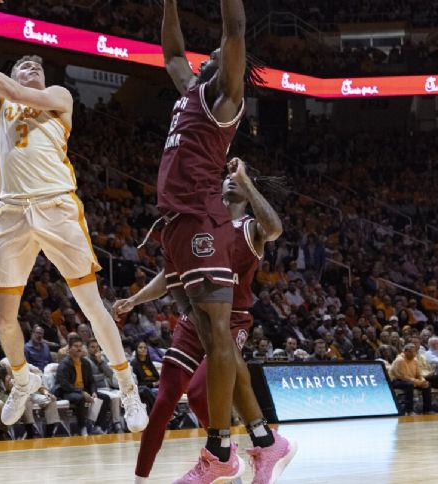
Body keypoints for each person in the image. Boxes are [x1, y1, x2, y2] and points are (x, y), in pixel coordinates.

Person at [0, 1, 147, 433]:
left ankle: (128, 386)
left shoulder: (58, 98)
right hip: (13, 214)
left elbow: (2, 79)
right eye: (24, 67)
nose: (32, 70)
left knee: (92, 305)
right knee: (2, 316)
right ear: (12, 75)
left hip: (56, 206)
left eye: (37, 66)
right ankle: (21, 379)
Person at [117, 165, 294, 483]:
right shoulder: (205, 225)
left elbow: (275, 228)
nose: (229, 180)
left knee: (199, 392)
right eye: (225, 178)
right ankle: (143, 478)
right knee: (164, 399)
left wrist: (248, 184)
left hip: (233, 318)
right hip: (195, 318)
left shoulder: (250, 226)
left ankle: (225, 456)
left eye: (234, 179)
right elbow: (170, 277)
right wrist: (134, 300)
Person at [152, 0, 263, 477]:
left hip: (201, 218)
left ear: (228, 63)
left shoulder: (225, 99)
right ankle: (257, 439)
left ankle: (221, 450)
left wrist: (227, 26)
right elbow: (172, 53)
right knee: (206, 330)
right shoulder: (190, 92)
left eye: (214, 53)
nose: (204, 56)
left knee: (218, 334)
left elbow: (235, 26)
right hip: (178, 221)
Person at [54, 336, 100, 436]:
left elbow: (91, 381)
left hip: (82, 390)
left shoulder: (85, 363)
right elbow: (65, 385)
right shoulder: (64, 364)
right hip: (67, 392)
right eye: (76, 346)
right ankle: (82, 427)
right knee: (80, 398)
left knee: (103, 397)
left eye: (80, 346)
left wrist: (94, 392)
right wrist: (82, 393)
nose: (79, 348)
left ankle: (93, 425)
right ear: (69, 349)